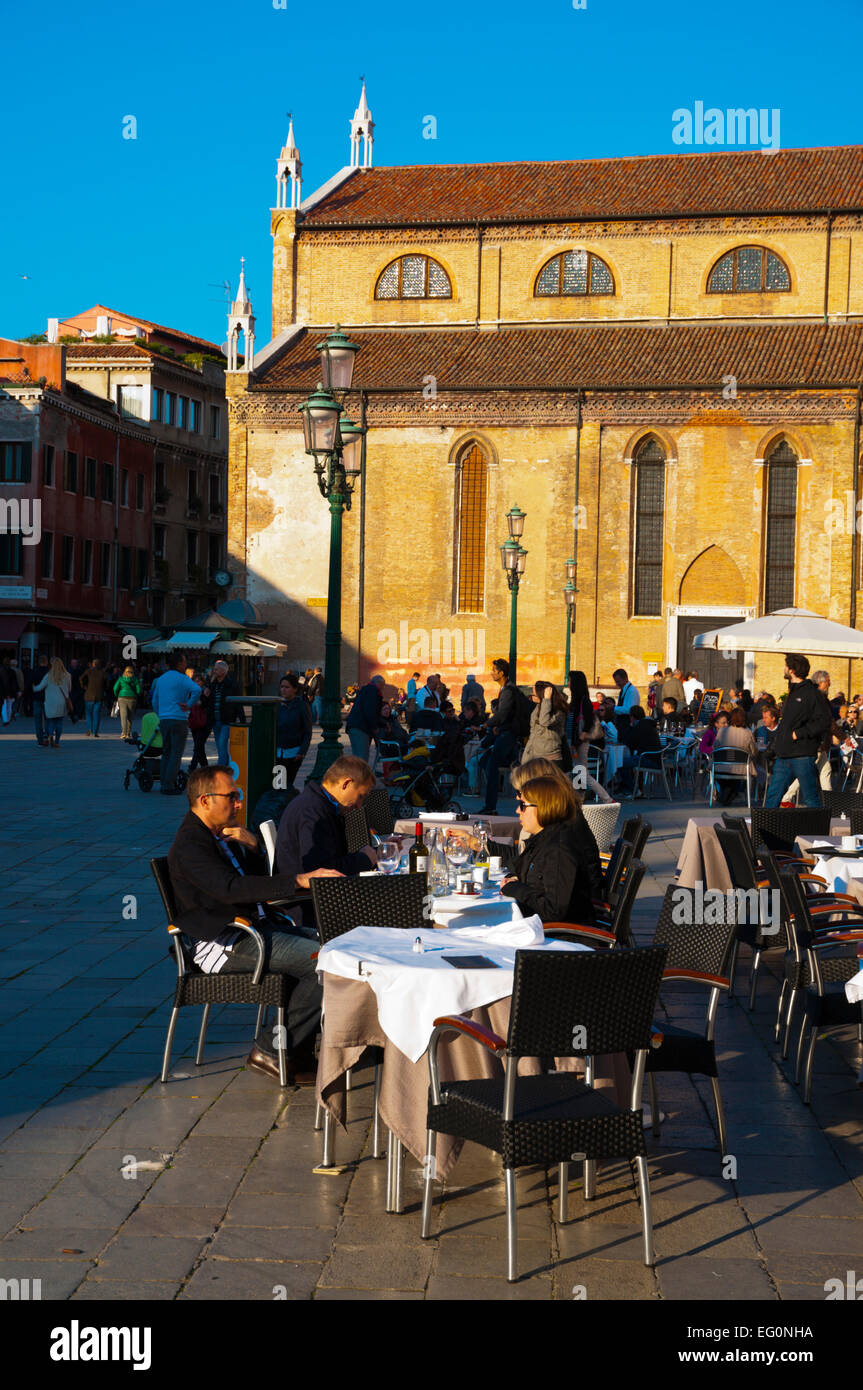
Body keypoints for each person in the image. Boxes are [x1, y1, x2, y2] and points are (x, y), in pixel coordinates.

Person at [167, 764, 344, 1084]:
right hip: (224, 942)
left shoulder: (220, 836)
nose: (238, 803)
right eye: (231, 796)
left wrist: (252, 845)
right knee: (329, 965)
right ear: (205, 800)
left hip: (254, 929)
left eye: (239, 796)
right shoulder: (191, 844)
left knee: (336, 948)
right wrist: (301, 880)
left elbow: (255, 881)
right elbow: (230, 889)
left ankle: (295, 1052)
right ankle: (271, 1050)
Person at [275, 755, 379, 927]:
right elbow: (319, 872)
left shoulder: (320, 805)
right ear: (346, 783)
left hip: (320, 898)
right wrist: (364, 860)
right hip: (310, 907)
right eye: (360, 796)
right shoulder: (313, 813)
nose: (360, 805)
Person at [497, 777, 598, 925]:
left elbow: (554, 910)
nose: (518, 810)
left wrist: (515, 888)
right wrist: (515, 879)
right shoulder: (546, 838)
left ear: (543, 807)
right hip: (543, 928)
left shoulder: (558, 849)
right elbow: (526, 869)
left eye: (523, 805)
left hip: (560, 937)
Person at [764, 654, 832, 808]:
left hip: (802, 755)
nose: (784, 668)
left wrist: (798, 734)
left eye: (786, 666)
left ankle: (818, 831)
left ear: (792, 670)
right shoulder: (793, 692)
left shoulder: (811, 693)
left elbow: (823, 722)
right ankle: (763, 829)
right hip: (784, 755)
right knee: (773, 796)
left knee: (810, 798)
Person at [151, 651, 201, 795]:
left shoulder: (161, 679)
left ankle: (163, 782)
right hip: (178, 718)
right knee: (176, 753)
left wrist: (160, 714)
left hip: (165, 719)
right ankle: (168, 785)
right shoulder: (182, 678)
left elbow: (154, 700)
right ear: (179, 664)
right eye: (184, 662)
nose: (186, 664)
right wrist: (189, 704)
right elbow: (197, 689)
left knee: (166, 752)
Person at [477, 658, 522, 814]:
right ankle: (520, 798)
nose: (491, 673)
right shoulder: (506, 689)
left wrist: (487, 724)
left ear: (501, 673)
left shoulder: (508, 690)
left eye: (494, 670)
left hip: (508, 734)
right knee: (513, 767)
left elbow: (503, 714)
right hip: (507, 732)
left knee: (492, 765)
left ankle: (491, 806)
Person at [712, 706, 757, 805]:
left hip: (721, 766)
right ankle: (730, 793)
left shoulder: (722, 731)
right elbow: (753, 752)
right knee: (742, 770)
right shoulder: (748, 733)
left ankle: (727, 795)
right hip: (741, 768)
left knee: (728, 779)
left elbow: (715, 748)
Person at [275, 672, 313, 785]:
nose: (283, 690)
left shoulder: (301, 706)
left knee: (287, 783)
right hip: (278, 752)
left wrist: (302, 751)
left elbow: (307, 731)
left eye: (287, 687)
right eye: (282, 687)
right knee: (277, 784)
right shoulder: (277, 704)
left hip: (294, 752)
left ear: (295, 689)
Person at [619, 705, 662, 794]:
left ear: (632, 716)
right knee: (629, 761)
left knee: (621, 763)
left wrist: (630, 727)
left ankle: (633, 789)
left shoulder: (640, 726)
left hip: (649, 759)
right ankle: (633, 788)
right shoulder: (647, 724)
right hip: (654, 758)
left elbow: (629, 743)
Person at [522, 681, 568, 764]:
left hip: (550, 758)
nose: (531, 696)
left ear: (542, 695)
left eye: (533, 694)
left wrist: (546, 699)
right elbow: (533, 733)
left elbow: (544, 721)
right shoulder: (538, 708)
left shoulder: (558, 712)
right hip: (534, 756)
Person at [207, 660, 242, 765]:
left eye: (216, 669)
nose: (214, 671)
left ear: (223, 671)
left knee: (222, 744)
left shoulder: (231, 684)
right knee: (220, 746)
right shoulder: (213, 684)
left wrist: (242, 719)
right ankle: (226, 768)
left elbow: (238, 702)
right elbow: (208, 702)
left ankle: (221, 770)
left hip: (227, 720)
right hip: (215, 720)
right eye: (214, 669)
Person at [345, 674, 385, 761]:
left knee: (359, 757)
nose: (383, 688)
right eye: (383, 685)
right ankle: (359, 774)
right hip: (360, 727)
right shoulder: (373, 691)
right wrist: (375, 727)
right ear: (378, 683)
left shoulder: (366, 690)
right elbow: (370, 711)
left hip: (356, 726)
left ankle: (358, 774)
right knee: (361, 758)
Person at [34, 658, 71, 747]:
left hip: (50, 702)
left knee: (51, 721)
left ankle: (50, 735)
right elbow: (69, 689)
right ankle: (57, 741)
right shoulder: (67, 675)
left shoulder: (49, 676)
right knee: (59, 722)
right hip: (61, 702)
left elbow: (39, 688)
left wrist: (33, 687)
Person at [187, 672, 212, 771]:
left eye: (199, 681)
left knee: (198, 746)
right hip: (194, 722)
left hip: (204, 723)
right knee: (199, 747)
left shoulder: (206, 691)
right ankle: (205, 769)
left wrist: (202, 699)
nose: (197, 683)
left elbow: (205, 704)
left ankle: (192, 768)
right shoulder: (191, 692)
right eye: (195, 681)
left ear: (203, 682)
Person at [114, 666, 142, 742]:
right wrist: (136, 694)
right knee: (130, 716)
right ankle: (128, 733)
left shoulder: (121, 678)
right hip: (132, 698)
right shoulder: (135, 679)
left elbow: (115, 688)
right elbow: (139, 690)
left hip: (122, 697)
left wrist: (117, 695)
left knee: (123, 716)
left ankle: (123, 733)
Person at [81, 658, 108, 738]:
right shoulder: (103, 672)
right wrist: (103, 689)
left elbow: (81, 678)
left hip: (89, 695)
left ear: (93, 664)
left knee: (89, 714)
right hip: (99, 696)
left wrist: (84, 687)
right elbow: (107, 683)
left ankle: (89, 729)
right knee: (96, 714)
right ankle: (95, 731)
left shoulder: (89, 671)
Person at [28, 654, 50, 745]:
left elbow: (29, 683)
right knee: (48, 718)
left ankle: (40, 739)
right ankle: (46, 736)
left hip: (37, 697)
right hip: (48, 698)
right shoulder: (50, 672)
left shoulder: (35, 671)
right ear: (47, 662)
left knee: (38, 720)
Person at [612, 668, 640, 736]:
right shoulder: (624, 690)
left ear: (625, 679)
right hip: (623, 726)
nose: (617, 684)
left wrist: (613, 708)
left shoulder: (631, 691)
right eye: (616, 682)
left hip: (628, 726)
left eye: (618, 681)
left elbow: (630, 710)